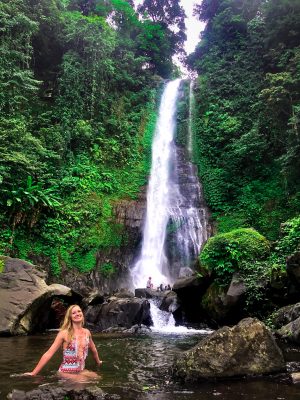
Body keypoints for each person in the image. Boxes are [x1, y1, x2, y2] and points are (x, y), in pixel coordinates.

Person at [24, 304, 102, 379]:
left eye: (79, 311)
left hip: (80, 371)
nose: (77, 314)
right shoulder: (64, 333)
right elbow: (48, 353)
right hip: (66, 372)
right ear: (70, 317)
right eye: (73, 313)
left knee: (97, 378)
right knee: (82, 380)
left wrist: (98, 362)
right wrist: (33, 373)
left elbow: (93, 349)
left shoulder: (86, 332)